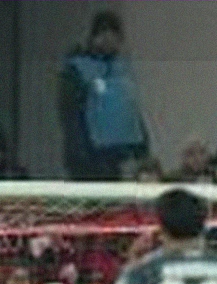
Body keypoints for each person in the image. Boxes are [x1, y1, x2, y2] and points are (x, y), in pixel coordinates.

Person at [58, 11, 149, 181]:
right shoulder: (78, 69)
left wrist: (141, 147)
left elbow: (131, 110)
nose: (110, 41)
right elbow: (70, 115)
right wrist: (78, 152)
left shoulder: (121, 69)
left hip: (118, 155)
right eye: (105, 35)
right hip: (89, 156)